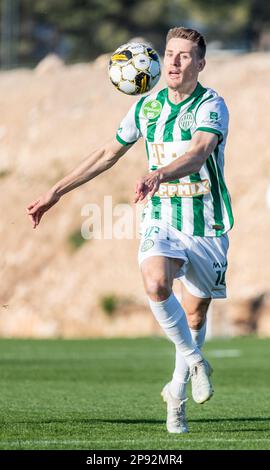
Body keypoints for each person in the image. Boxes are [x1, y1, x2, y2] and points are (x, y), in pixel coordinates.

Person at [27, 27, 234, 435]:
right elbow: (108, 152)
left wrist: (160, 172)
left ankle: (176, 394)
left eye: (184, 55)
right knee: (156, 282)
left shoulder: (212, 104)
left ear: (200, 64)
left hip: (207, 222)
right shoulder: (147, 107)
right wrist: (56, 191)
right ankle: (195, 362)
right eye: (170, 53)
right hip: (162, 216)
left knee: (196, 312)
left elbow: (199, 152)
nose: (174, 61)